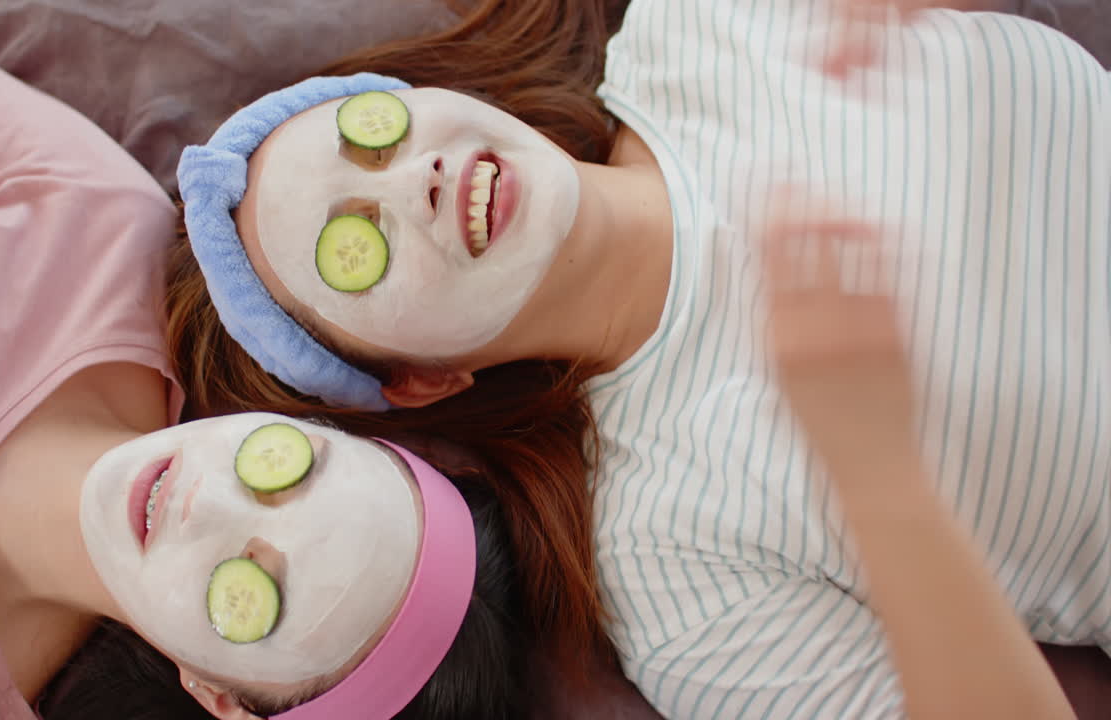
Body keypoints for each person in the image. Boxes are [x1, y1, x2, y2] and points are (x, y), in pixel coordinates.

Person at [167, 0, 1109, 716]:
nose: (418, 179)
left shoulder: (697, 25)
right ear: (419, 381)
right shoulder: (677, 572)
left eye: (372, 136)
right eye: (355, 248)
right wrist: (878, 474)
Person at [0, 1, 568, 719]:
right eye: (291, 470)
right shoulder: (108, 244)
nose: (203, 503)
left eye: (252, 595)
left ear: (221, 698)